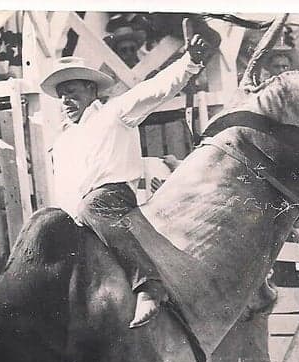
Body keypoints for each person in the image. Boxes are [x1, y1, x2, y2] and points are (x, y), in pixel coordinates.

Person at [41, 29, 211, 329]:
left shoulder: (115, 112)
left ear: (92, 90)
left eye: (74, 91)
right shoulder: (62, 140)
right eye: (62, 95)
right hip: (78, 216)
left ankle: (148, 286)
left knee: (91, 206)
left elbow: (156, 89)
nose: (67, 100)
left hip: (111, 199)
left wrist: (190, 62)